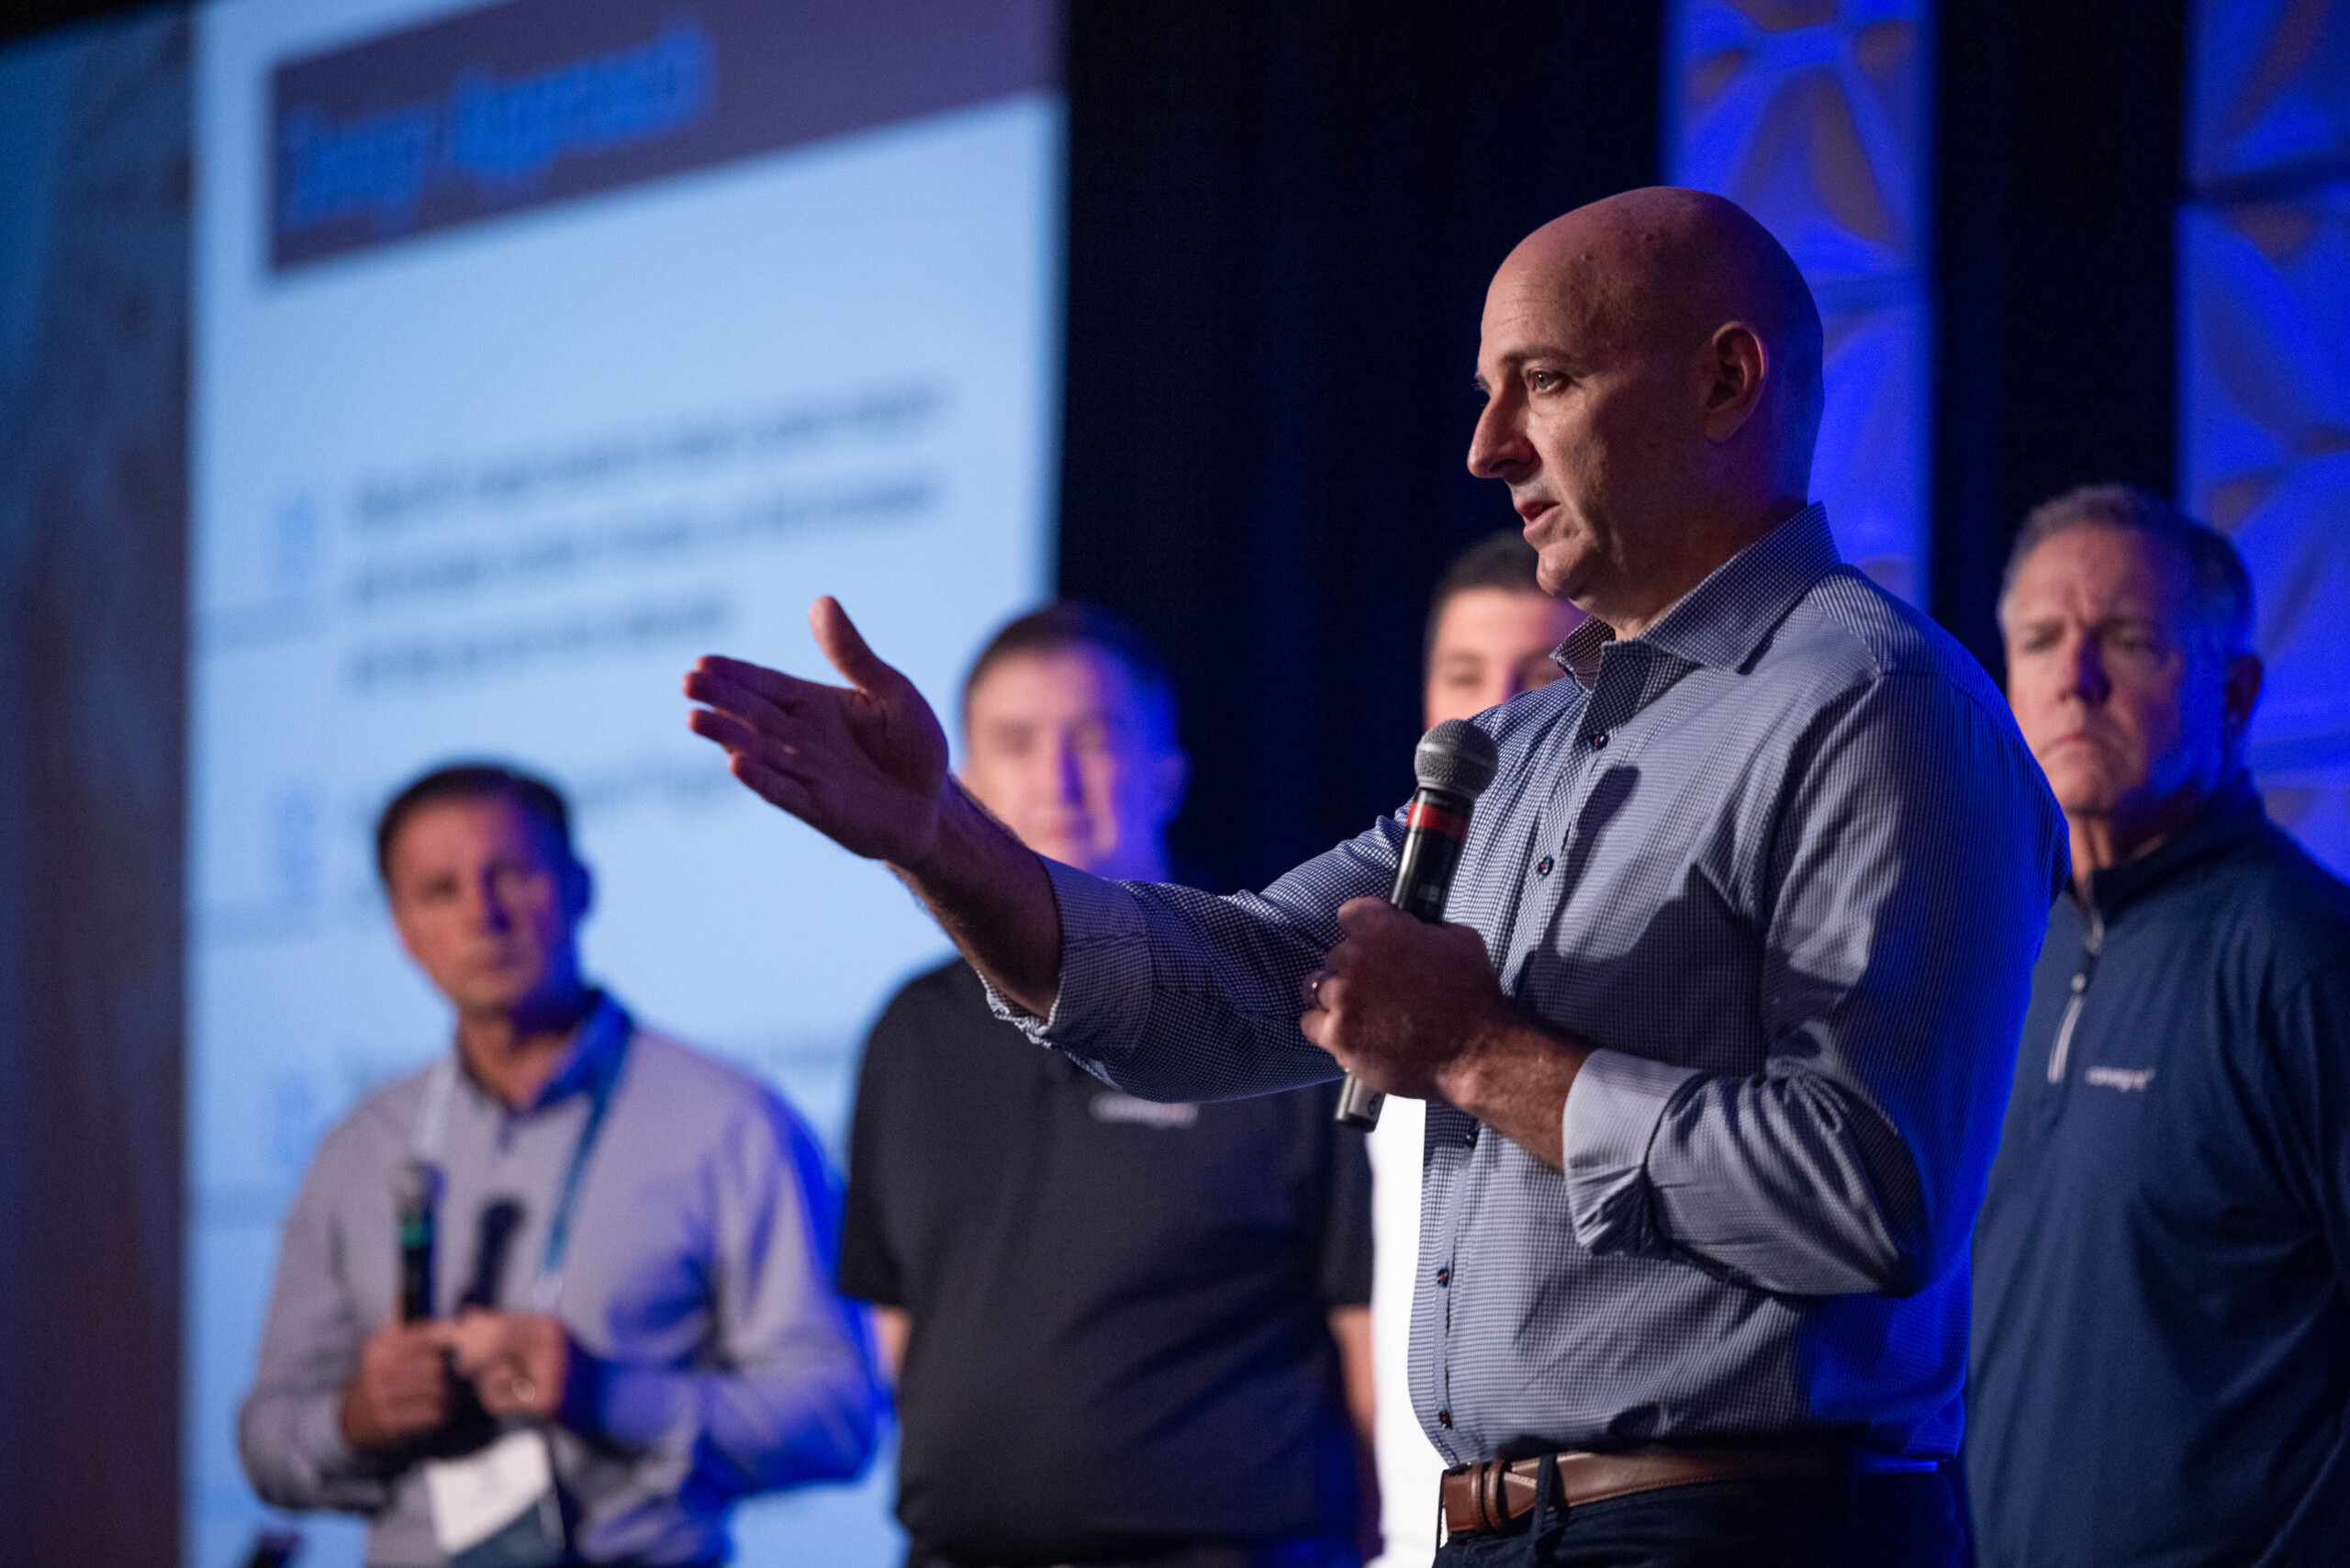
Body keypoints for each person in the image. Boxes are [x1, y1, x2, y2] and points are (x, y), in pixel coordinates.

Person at [682, 185, 2066, 1566]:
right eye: (1487, 392)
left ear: (1724, 378)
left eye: (1547, 381)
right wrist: (940, 838)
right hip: (1512, 1533)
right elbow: (1217, 990)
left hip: (1742, 1530)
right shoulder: (1520, 747)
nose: (1485, 447)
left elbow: (1870, 1195)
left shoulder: (1877, 703)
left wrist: (1479, 1051)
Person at [840, 602, 1379, 1568]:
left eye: (1094, 739)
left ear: (1166, 772)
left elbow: (1363, 1325)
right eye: (1016, 742)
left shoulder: (1277, 1001)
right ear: (961, 782)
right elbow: (899, 1319)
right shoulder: (909, 1028)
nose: (1058, 778)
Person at [240, 764, 882, 1566]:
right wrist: (354, 1419)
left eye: (511, 874)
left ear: (580, 889)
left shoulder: (734, 1124)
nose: (484, 914)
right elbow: (265, 1437)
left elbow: (840, 1420)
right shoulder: (358, 1149)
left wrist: (610, 1396)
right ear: (402, 929)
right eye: (440, 891)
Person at [1964, 486, 2350, 1566]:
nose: (2073, 679)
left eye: (2127, 641)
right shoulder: (2000, 956)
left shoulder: (2303, 960)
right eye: (2040, 641)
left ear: (2235, 692)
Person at [1370, 533, 1584, 1564]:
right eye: (1465, 678)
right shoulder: (1367, 927)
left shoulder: (1611, 948)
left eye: (1537, 679)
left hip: (1586, 1519)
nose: (1494, 717)